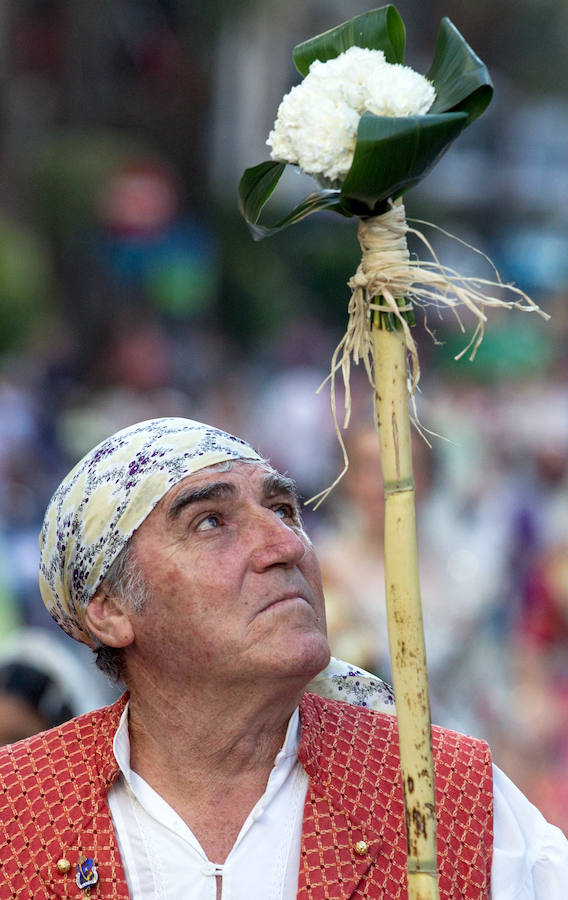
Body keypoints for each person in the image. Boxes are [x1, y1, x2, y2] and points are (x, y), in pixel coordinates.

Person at [0, 417, 566, 899]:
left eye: (283, 509)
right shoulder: (18, 810)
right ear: (110, 611)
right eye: (211, 522)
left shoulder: (444, 794)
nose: (288, 545)